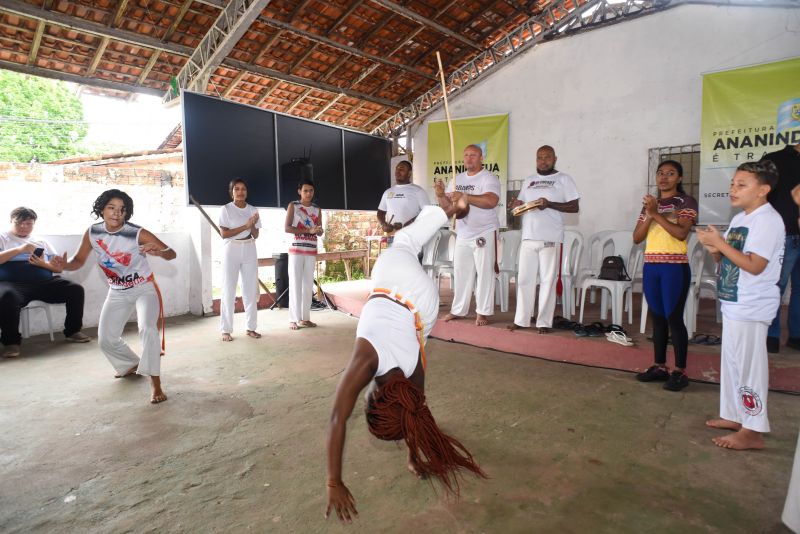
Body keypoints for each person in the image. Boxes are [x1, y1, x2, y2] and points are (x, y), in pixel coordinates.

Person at [325, 197, 486, 523]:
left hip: (423, 311)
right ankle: (447, 208)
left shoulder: (413, 376)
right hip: (390, 280)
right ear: (373, 398)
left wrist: (415, 456)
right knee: (404, 241)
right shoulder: (365, 359)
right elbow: (336, 420)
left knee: (407, 248)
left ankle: (445, 210)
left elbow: (414, 410)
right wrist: (333, 481)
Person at [697, 161, 784, 450]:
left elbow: (755, 266)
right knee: (733, 364)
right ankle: (735, 416)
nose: (733, 189)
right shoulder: (740, 219)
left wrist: (720, 244)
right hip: (734, 302)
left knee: (750, 369)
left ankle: (753, 430)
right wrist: (715, 249)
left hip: (752, 305)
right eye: (733, 183)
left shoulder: (767, 220)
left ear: (763, 190)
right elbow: (730, 261)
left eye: (741, 185)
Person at [61, 189, 176, 404]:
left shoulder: (136, 232)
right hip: (117, 292)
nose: (116, 213)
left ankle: (155, 383)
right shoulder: (93, 233)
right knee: (106, 339)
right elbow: (77, 261)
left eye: (122, 210)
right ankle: (129, 364)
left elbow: (172, 253)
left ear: (126, 213)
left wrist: (159, 251)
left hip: (144, 288)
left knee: (147, 329)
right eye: (111, 208)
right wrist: (61, 266)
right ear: (102, 209)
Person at [633, 160, 698, 391]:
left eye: (670, 174)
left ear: (679, 178)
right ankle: (659, 366)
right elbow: (637, 238)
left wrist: (655, 213)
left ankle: (680, 371)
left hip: (674, 267)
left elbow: (681, 233)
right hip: (652, 266)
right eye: (660, 173)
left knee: (674, 318)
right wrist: (651, 212)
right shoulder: (651, 204)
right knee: (657, 318)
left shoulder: (686, 202)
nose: (664, 177)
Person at [507, 145, 580, 334]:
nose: (543, 161)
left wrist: (549, 205)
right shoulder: (530, 180)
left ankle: (544, 322)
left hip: (551, 238)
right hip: (528, 237)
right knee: (524, 280)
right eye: (539, 157)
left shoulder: (563, 179)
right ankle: (522, 320)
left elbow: (574, 207)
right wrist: (517, 204)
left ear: (555, 159)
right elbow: (523, 204)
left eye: (547, 157)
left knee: (548, 281)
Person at [0, 207, 91, 357]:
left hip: (44, 282)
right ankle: (11, 343)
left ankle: (73, 331)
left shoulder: (41, 241)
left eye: (28, 224)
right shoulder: (3, 238)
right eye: (19, 223)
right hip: (12, 284)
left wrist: (46, 264)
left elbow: (58, 269)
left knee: (75, 289)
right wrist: (20, 249)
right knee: (6, 296)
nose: (24, 227)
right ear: (11, 222)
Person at [436, 144, 501, 327]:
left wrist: (466, 196)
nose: (469, 158)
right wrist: (441, 194)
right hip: (463, 233)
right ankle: (458, 310)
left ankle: (483, 312)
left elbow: (491, 201)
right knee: (461, 272)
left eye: (473, 155)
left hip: (485, 231)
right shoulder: (456, 179)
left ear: (481, 158)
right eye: (466, 155)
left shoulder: (489, 178)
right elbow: (447, 209)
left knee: (485, 272)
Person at [763, 143, 800, 353]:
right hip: (785, 234)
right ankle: (771, 336)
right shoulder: (774, 159)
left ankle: (797, 336)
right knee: (776, 286)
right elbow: (759, 194)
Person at [219, 178, 261, 342]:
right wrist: (245, 225)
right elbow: (224, 234)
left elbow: (255, 235)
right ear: (232, 192)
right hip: (232, 248)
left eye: (243, 189)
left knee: (250, 289)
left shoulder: (253, 209)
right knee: (229, 289)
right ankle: (226, 329)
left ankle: (251, 328)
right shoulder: (226, 209)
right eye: (237, 189)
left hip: (249, 247)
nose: (241, 192)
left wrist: (252, 224)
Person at [285, 178, 322, 330]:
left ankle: (305, 318)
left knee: (308, 285)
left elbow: (318, 231)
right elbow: (287, 228)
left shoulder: (317, 209)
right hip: (296, 251)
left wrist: (319, 231)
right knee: (295, 283)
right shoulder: (293, 206)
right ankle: (294, 319)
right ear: (299, 191)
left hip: (311, 250)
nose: (308, 193)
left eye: (311, 191)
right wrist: (308, 230)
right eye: (305, 191)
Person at [377, 160, 430, 240]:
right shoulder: (388, 192)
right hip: (393, 237)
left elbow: (428, 212)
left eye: (401, 169)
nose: (397, 172)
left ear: (409, 173)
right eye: (397, 169)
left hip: (413, 237)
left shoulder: (418, 191)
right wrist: (383, 224)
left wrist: (409, 223)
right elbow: (380, 212)